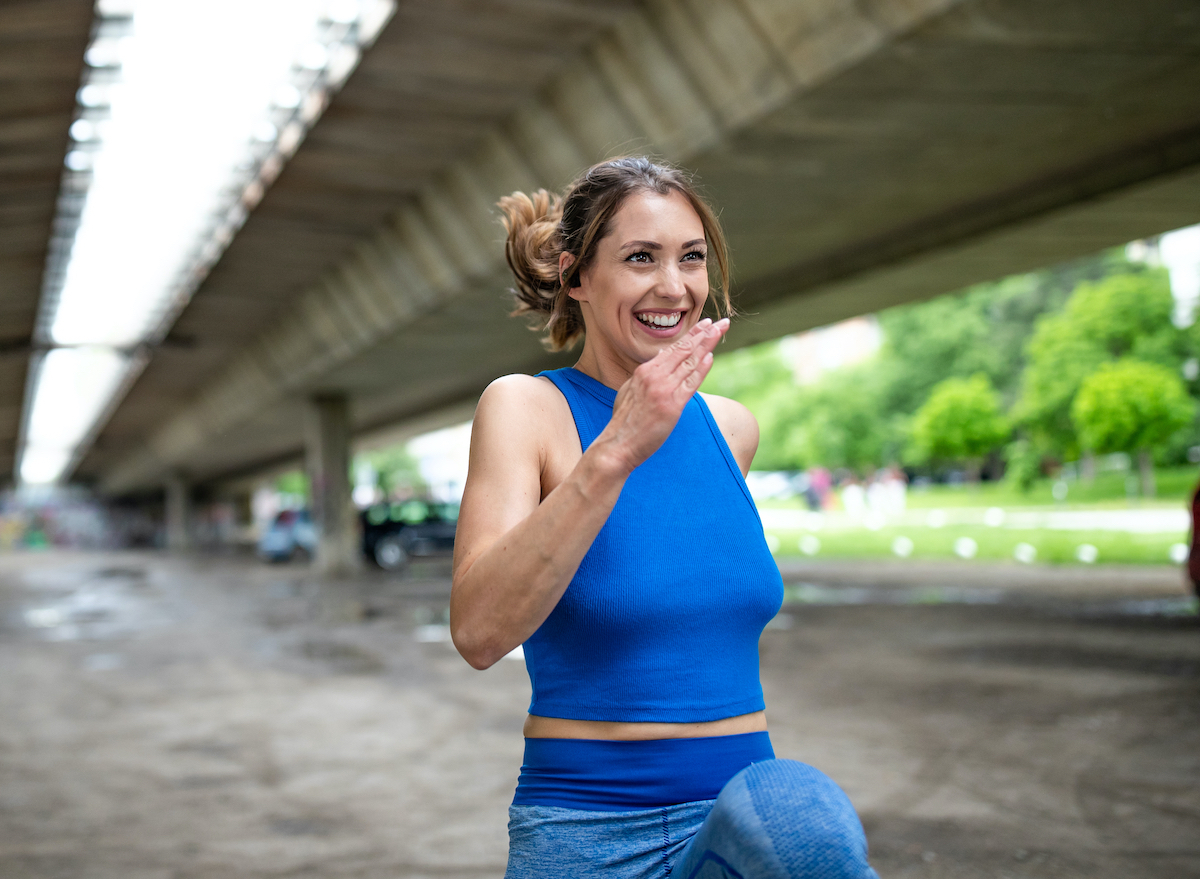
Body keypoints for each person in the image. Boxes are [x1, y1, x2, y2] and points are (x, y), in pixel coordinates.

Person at [450, 156, 878, 878]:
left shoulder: (731, 428)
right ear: (576, 274)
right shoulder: (526, 409)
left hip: (737, 827)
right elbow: (480, 631)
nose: (674, 287)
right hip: (586, 830)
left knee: (798, 809)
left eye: (691, 259)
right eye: (640, 258)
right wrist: (615, 449)